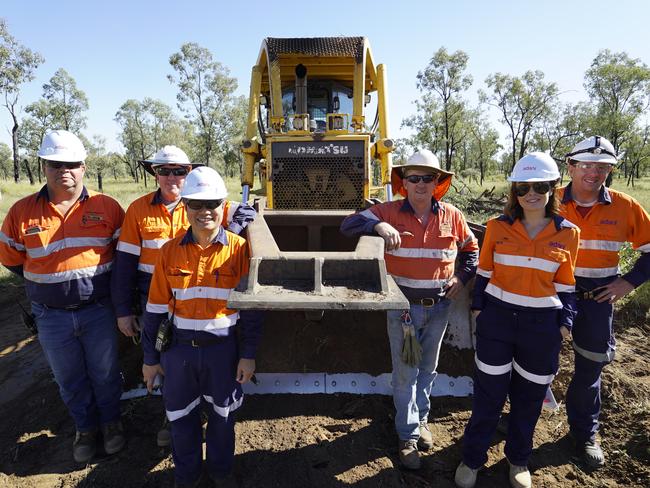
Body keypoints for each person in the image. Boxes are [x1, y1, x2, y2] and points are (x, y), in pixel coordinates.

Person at [341, 149, 479, 470]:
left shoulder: (453, 216)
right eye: (413, 178)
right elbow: (348, 225)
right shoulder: (387, 212)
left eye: (426, 178)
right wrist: (378, 227)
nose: (419, 183)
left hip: (440, 309)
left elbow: (471, 250)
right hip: (403, 311)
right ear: (403, 182)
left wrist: (461, 276)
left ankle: (421, 421)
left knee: (428, 370)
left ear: (437, 183)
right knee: (406, 373)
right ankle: (407, 436)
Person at [110, 145, 255, 447]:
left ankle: (218, 467)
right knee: (175, 395)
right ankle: (176, 432)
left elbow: (240, 213)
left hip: (218, 339)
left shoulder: (226, 227)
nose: (171, 176)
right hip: (167, 314)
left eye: (179, 170)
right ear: (155, 173)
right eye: (165, 170)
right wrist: (125, 309)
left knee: (221, 412)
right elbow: (125, 266)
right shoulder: (140, 212)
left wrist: (237, 228)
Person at [0, 130, 126, 463]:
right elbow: (12, 259)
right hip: (50, 316)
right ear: (43, 166)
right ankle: (85, 429)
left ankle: (112, 424)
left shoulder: (108, 207)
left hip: (98, 311)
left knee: (105, 373)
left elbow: (124, 258)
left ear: (84, 166)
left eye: (71, 164)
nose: (63, 171)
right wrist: (49, 285)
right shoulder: (22, 212)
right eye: (55, 164)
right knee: (68, 377)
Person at [455, 152, 579, 488]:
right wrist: (479, 306)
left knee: (528, 399)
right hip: (497, 322)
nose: (531, 194)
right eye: (523, 187)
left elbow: (567, 285)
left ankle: (519, 460)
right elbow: (484, 271)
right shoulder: (497, 226)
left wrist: (567, 319)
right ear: (515, 191)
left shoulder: (568, 233)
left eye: (540, 186)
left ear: (553, 187)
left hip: (541, 328)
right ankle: (472, 459)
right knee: (488, 396)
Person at [141, 166, 262, 487]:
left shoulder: (240, 250)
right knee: (180, 421)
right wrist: (151, 360)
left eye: (213, 204)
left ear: (224, 206)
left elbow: (251, 312)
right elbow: (153, 311)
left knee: (223, 421)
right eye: (196, 204)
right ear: (185, 207)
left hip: (223, 353)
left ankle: (222, 474)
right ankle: (187, 477)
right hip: (178, 354)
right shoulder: (168, 252)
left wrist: (247, 355)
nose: (205, 212)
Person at [560, 136, 650, 468]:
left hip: (598, 298)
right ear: (570, 166)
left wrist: (628, 282)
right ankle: (519, 422)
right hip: (552, 294)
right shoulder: (548, 201)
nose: (593, 174)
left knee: (591, 366)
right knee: (532, 361)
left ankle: (583, 433)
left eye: (602, 168)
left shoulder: (626, 206)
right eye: (586, 165)